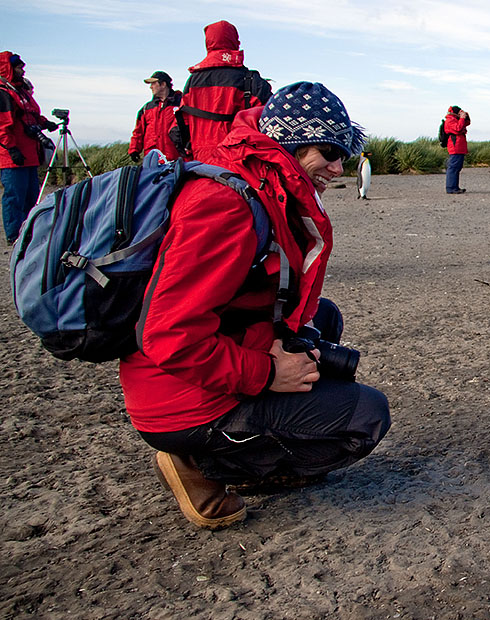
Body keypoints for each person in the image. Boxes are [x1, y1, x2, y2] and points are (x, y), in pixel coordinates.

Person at [120, 81, 390, 530]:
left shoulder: (255, 176)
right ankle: (201, 465)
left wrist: (286, 342)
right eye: (327, 151)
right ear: (290, 143)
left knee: (323, 317)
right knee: (365, 416)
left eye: (343, 153)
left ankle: (228, 441)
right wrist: (267, 371)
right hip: (173, 392)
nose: (338, 166)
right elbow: (166, 333)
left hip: (193, 364)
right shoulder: (227, 205)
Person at [174, 20, 272, 162]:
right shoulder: (250, 80)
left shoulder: (191, 82)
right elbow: (269, 123)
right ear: (235, 42)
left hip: (200, 164)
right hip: (240, 164)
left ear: (208, 43)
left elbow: (179, 127)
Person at [0, 52, 58, 244]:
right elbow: (2, 126)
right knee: (14, 196)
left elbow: (30, 116)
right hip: (13, 156)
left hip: (30, 153)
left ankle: (26, 231)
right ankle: (14, 235)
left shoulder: (21, 92)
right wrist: (11, 148)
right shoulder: (3, 93)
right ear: (8, 69)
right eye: (18, 67)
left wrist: (45, 123)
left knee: (31, 195)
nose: (22, 70)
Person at [128, 71, 182, 162]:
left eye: (153, 83)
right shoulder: (146, 109)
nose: (150, 87)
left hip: (176, 158)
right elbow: (138, 132)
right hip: (152, 160)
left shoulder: (181, 104)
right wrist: (134, 150)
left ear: (163, 84)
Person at [443, 105, 470, 194]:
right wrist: (462, 118)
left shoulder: (455, 119)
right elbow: (458, 129)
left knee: (457, 167)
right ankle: (450, 188)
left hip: (459, 147)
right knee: (453, 167)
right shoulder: (450, 120)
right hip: (455, 147)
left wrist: (466, 116)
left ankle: (455, 187)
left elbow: (467, 123)